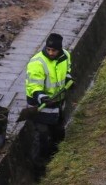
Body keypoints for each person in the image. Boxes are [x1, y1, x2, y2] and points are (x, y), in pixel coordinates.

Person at [25, 32, 75, 175]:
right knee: (42, 136)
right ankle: (38, 170)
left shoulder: (65, 56)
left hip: (57, 104)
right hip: (40, 106)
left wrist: (68, 80)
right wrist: (41, 96)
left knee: (58, 133)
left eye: (54, 50)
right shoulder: (37, 62)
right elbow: (34, 85)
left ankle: (55, 160)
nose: (51, 53)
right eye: (49, 50)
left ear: (60, 50)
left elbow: (67, 71)